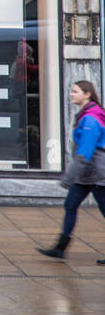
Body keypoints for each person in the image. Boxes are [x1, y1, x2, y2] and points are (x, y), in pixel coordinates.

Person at [37, 80, 105, 260]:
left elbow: (84, 153)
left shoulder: (90, 118)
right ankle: (60, 248)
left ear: (87, 94)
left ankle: (60, 248)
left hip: (98, 174)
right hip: (86, 175)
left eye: (75, 91)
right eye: (71, 91)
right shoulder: (87, 114)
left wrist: (68, 178)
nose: (71, 94)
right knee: (70, 206)